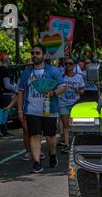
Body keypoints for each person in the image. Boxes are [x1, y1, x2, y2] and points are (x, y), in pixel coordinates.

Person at [17, 44, 66, 173]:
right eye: (33, 53)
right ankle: (37, 162)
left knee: (50, 137)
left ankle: (53, 153)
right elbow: (21, 92)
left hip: (50, 109)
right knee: (35, 135)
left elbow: (63, 86)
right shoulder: (26, 73)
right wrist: (20, 110)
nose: (34, 55)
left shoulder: (53, 71)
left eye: (37, 53)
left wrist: (53, 93)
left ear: (43, 55)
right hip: (32, 110)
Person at [59, 57, 85, 154]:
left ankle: (77, 144)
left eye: (70, 63)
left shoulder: (79, 77)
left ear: (74, 65)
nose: (68, 65)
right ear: (64, 65)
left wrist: (77, 90)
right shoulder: (61, 77)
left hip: (75, 104)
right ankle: (66, 145)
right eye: (66, 64)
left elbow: (83, 91)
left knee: (76, 125)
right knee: (66, 125)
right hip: (63, 103)